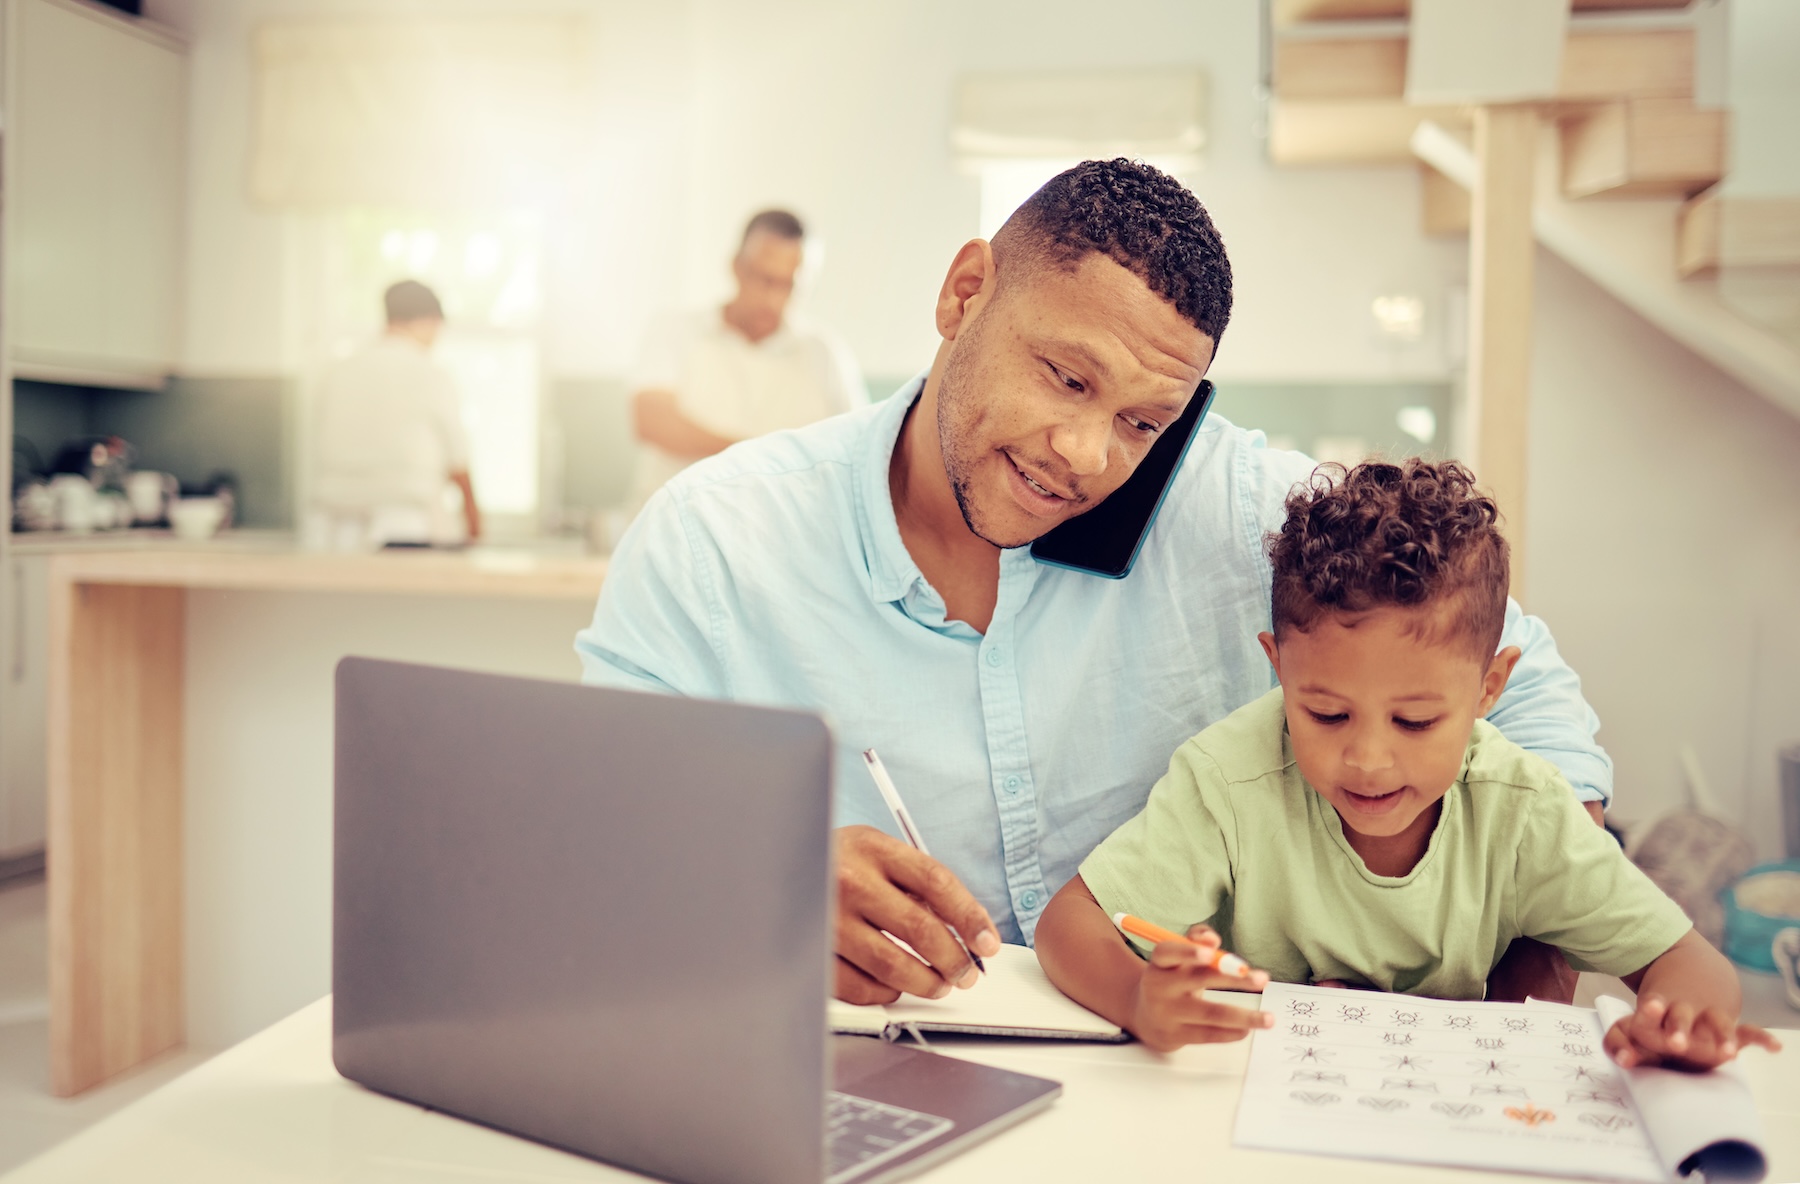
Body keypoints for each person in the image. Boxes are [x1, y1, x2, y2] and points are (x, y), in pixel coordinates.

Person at [577, 160, 1611, 1009]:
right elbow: (598, 831)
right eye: (1066, 377)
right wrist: (765, 876)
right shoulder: (716, 540)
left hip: (1195, 1075)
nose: (1084, 454)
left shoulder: (1242, 507)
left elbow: (1531, 698)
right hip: (866, 1066)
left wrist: (1524, 959)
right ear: (964, 292)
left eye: (1140, 421)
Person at [1034, 459, 1779, 1071]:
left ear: (1490, 687)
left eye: (1416, 721)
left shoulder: (1523, 807)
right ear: (1279, 667)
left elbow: (1691, 966)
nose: (1366, 758)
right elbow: (1070, 925)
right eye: (1324, 713)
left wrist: (1679, 1023)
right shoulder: (1228, 779)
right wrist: (1138, 996)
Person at [627, 208, 866, 507]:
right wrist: (761, 459)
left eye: (789, 286)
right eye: (764, 280)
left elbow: (860, 450)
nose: (772, 299)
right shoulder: (674, 330)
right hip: (672, 529)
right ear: (737, 267)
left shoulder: (825, 355)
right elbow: (651, 419)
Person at [311, 280, 480, 548]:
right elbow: (457, 461)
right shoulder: (431, 374)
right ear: (428, 321)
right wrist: (474, 520)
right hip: (402, 524)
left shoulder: (338, 372)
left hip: (331, 525)